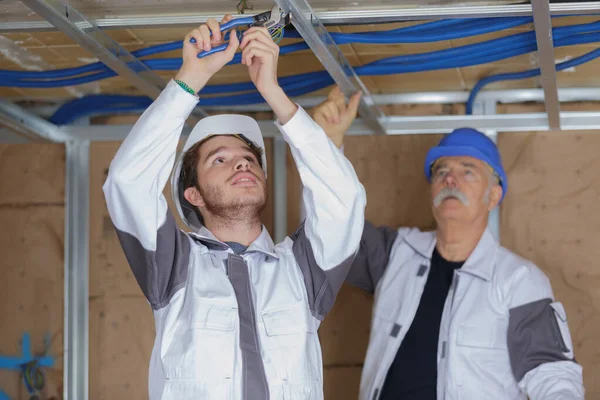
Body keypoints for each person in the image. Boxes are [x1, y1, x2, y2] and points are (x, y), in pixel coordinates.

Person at [102, 15, 366, 400]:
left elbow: (345, 201)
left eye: (249, 158)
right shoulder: (174, 264)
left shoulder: (303, 272)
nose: (243, 163)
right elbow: (127, 183)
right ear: (193, 195)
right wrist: (190, 78)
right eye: (219, 160)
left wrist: (273, 91)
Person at [311, 96, 585, 400]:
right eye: (441, 171)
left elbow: (552, 374)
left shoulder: (518, 280)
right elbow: (334, 233)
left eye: (467, 170)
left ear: (494, 196)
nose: (450, 178)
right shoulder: (396, 252)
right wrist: (327, 147)